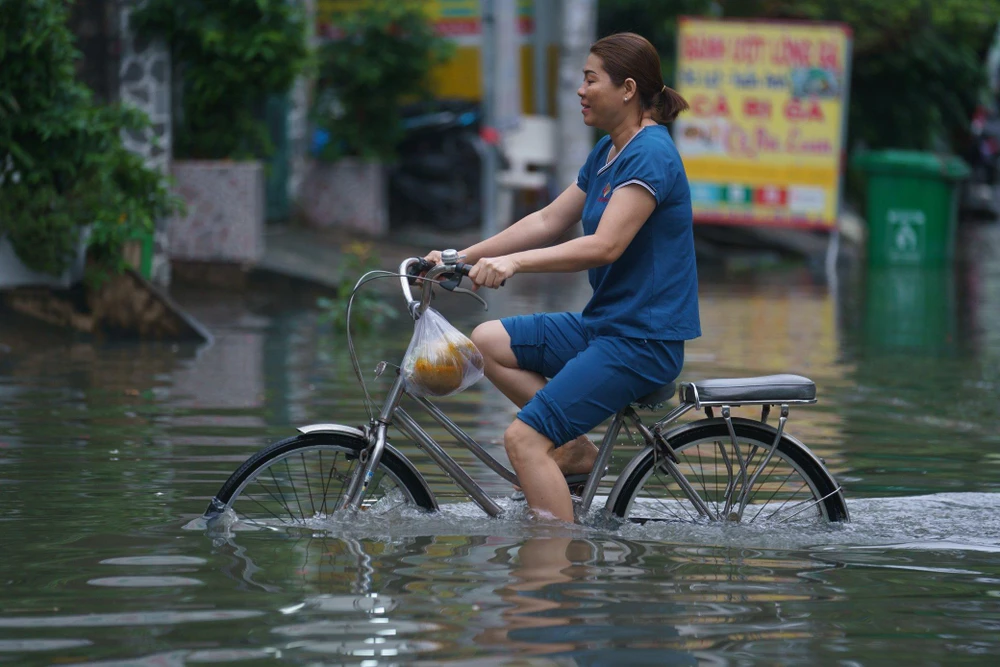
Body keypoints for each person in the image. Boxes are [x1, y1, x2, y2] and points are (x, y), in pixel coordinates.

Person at [424, 32, 701, 523]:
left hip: (643, 341)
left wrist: (516, 264)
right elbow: (547, 220)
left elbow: (604, 245)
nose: (581, 90)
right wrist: (458, 256)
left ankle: (552, 571)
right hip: (606, 327)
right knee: (485, 341)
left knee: (523, 440)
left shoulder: (651, 154)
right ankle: (572, 451)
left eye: (591, 80)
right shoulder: (608, 152)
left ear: (628, 89)